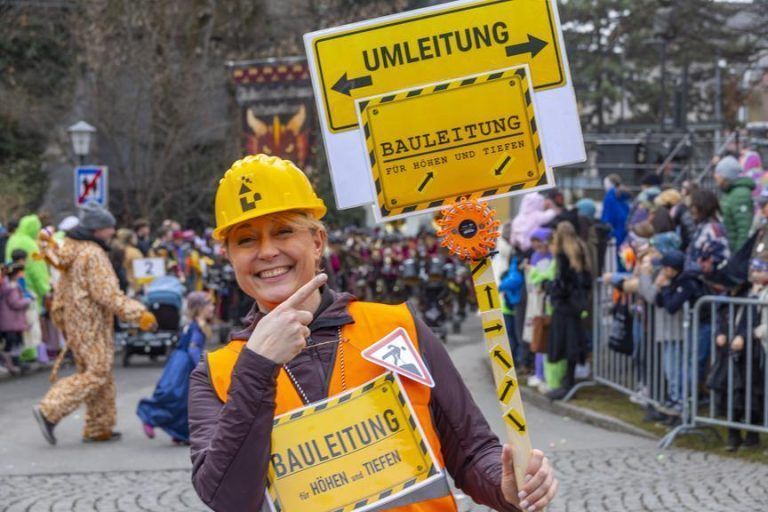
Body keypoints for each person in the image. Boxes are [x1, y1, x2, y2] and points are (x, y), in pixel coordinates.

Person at [188, 155, 558, 512]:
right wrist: (258, 366)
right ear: (230, 256)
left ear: (317, 242)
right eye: (246, 240)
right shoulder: (216, 373)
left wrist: (504, 486)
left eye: (284, 231)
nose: (267, 251)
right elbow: (229, 500)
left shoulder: (398, 327)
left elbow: (472, 450)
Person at [32, 202, 157, 445]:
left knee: (100, 373)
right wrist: (139, 314)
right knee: (98, 372)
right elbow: (107, 294)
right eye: (109, 227)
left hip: (77, 322)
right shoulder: (93, 254)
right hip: (91, 323)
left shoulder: (74, 250)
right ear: (96, 229)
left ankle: (99, 427)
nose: (112, 231)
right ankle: (49, 409)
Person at [138, 291, 214, 445]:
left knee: (184, 399)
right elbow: (193, 348)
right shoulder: (199, 326)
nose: (213, 308)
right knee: (177, 396)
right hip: (184, 364)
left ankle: (180, 432)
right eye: (210, 304)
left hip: (178, 360)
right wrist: (203, 365)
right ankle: (149, 417)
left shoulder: (190, 324)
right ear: (200, 308)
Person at [545, 222, 592, 400]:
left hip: (564, 306)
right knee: (571, 343)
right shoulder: (580, 250)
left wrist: (550, 287)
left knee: (565, 343)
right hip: (576, 305)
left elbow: (562, 283)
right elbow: (585, 281)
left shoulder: (563, 255)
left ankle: (567, 384)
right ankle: (568, 381)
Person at [4, 214, 51, 309]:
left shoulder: (12, 239)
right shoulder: (29, 243)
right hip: (31, 290)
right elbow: (37, 269)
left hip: (14, 289)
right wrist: (45, 289)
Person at [715, 156, 755, 253]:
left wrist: (738, 256)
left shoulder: (740, 195)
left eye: (719, 178)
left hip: (735, 254)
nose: (717, 182)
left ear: (726, 177)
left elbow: (744, 229)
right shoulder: (730, 193)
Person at [0, 263, 31, 376]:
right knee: (13, 342)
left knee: (12, 341)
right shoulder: (12, 287)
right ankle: (12, 364)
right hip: (11, 319)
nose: (21, 275)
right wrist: (28, 300)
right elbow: (15, 303)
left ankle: (13, 363)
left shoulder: (6, 285)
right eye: (20, 273)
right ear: (15, 274)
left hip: (8, 319)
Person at [600, 174, 631, 247]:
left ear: (611, 184)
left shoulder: (609, 196)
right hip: (625, 223)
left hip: (615, 226)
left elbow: (608, 213)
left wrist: (605, 224)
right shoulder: (623, 195)